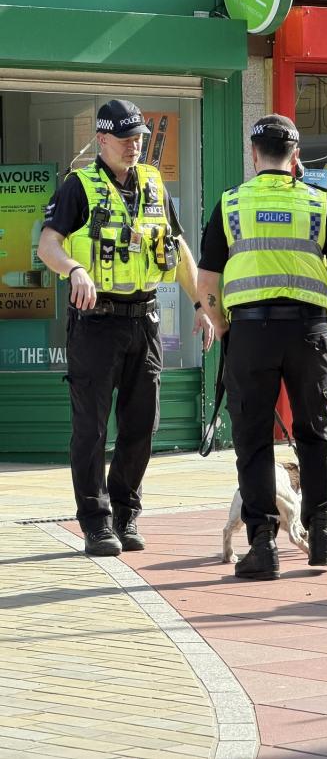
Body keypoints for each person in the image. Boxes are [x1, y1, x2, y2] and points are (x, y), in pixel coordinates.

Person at [37, 99, 214, 557]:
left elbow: (179, 249)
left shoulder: (155, 184)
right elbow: (47, 245)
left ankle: (126, 512)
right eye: (125, 139)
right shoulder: (79, 186)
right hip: (96, 323)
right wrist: (74, 268)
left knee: (141, 425)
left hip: (145, 320)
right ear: (102, 140)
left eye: (139, 138)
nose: (135, 146)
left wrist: (201, 302)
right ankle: (95, 522)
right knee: (91, 428)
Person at [196, 114, 327, 581]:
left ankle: (263, 545)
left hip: (249, 333)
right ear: (296, 156)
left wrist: (222, 322)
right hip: (309, 332)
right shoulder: (319, 204)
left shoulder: (230, 205)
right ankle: (322, 536)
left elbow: (208, 282)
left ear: (253, 155)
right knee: (314, 434)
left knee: (252, 442)